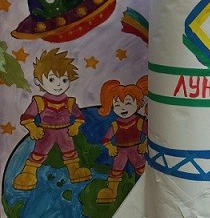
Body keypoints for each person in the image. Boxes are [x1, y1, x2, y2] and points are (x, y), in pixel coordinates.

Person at [13, 48, 91, 190]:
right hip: (46, 132)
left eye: (64, 79)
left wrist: (75, 126)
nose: (58, 84)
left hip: (65, 132)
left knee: (70, 152)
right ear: (38, 81)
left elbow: (80, 117)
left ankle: (75, 171)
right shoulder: (39, 102)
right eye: (51, 79)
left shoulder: (69, 102)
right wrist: (33, 128)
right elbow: (27, 117)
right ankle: (28, 174)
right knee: (39, 153)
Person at [97, 76, 148, 203]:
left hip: (136, 150)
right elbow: (106, 139)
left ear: (139, 103)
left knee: (143, 169)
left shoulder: (140, 121)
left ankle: (147, 190)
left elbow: (150, 134)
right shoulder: (115, 125)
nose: (122, 108)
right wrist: (110, 147)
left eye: (128, 103)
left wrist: (144, 144)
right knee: (116, 171)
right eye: (117, 105)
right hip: (120, 151)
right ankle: (111, 191)